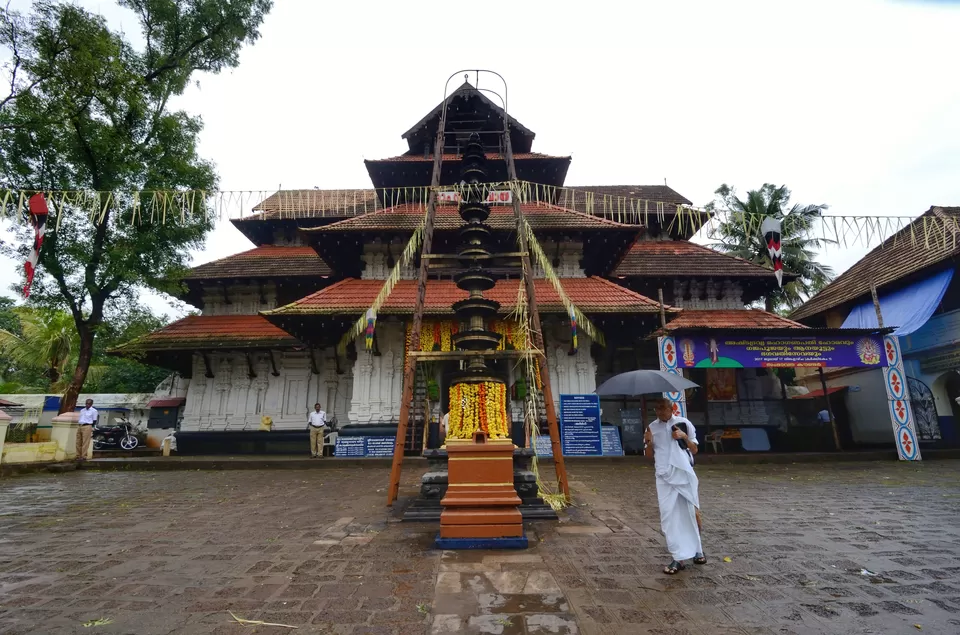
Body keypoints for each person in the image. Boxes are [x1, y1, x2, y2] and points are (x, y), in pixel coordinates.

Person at [643, 398, 705, 574]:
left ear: (672, 408)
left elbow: (694, 450)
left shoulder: (683, 423)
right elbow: (648, 456)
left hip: (683, 474)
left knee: (692, 513)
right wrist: (648, 441)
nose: (661, 412)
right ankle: (678, 557)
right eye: (657, 409)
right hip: (664, 476)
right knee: (669, 517)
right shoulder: (651, 428)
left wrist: (684, 437)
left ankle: (698, 549)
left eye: (664, 409)